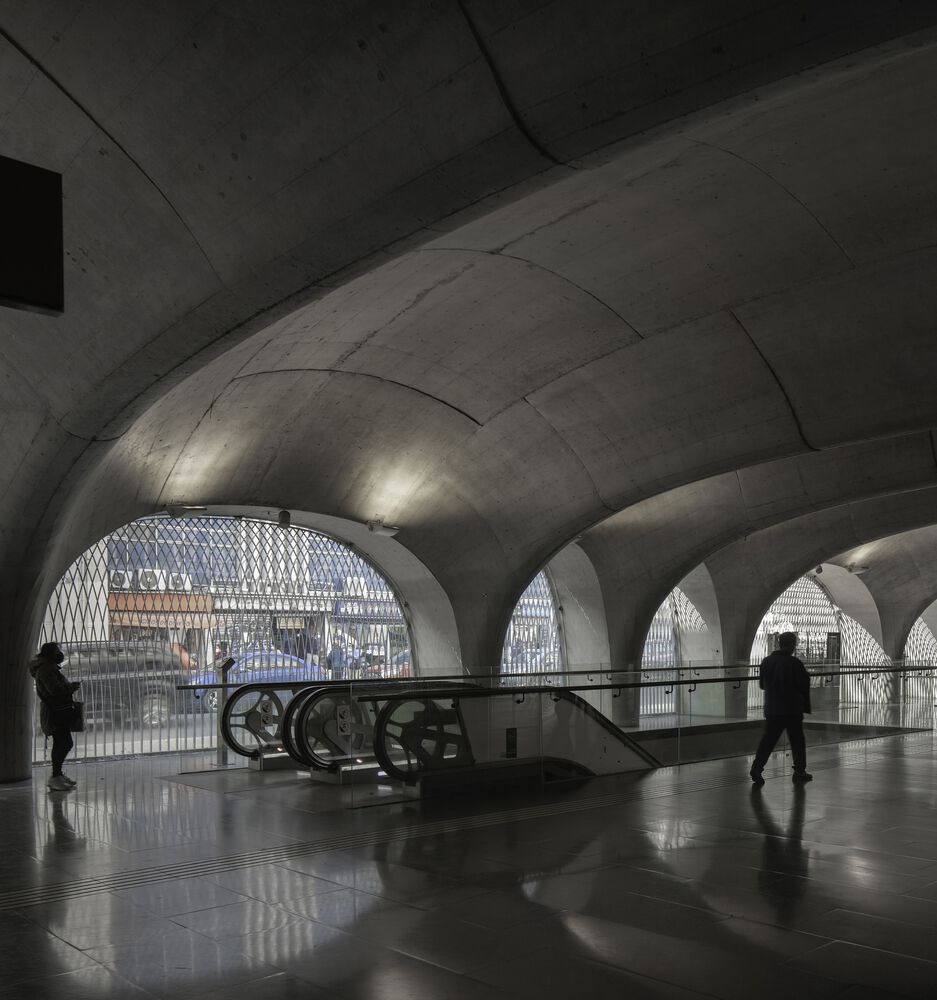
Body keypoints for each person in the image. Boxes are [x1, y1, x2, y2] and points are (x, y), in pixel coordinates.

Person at [750, 631, 813, 784]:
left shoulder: (766, 661)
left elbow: (762, 685)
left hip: (773, 708)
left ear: (779, 643)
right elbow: (803, 684)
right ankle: (799, 771)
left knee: (768, 740)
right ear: (792, 645)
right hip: (792, 709)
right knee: (797, 741)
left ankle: (757, 768)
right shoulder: (794, 663)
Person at [29, 641, 81, 791]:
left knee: (62, 742)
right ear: (51, 653)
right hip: (55, 712)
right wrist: (71, 687)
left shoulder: (47, 668)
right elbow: (55, 690)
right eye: (57, 651)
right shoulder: (46, 669)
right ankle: (55, 776)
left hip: (55, 711)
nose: (60, 654)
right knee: (64, 742)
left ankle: (57, 776)